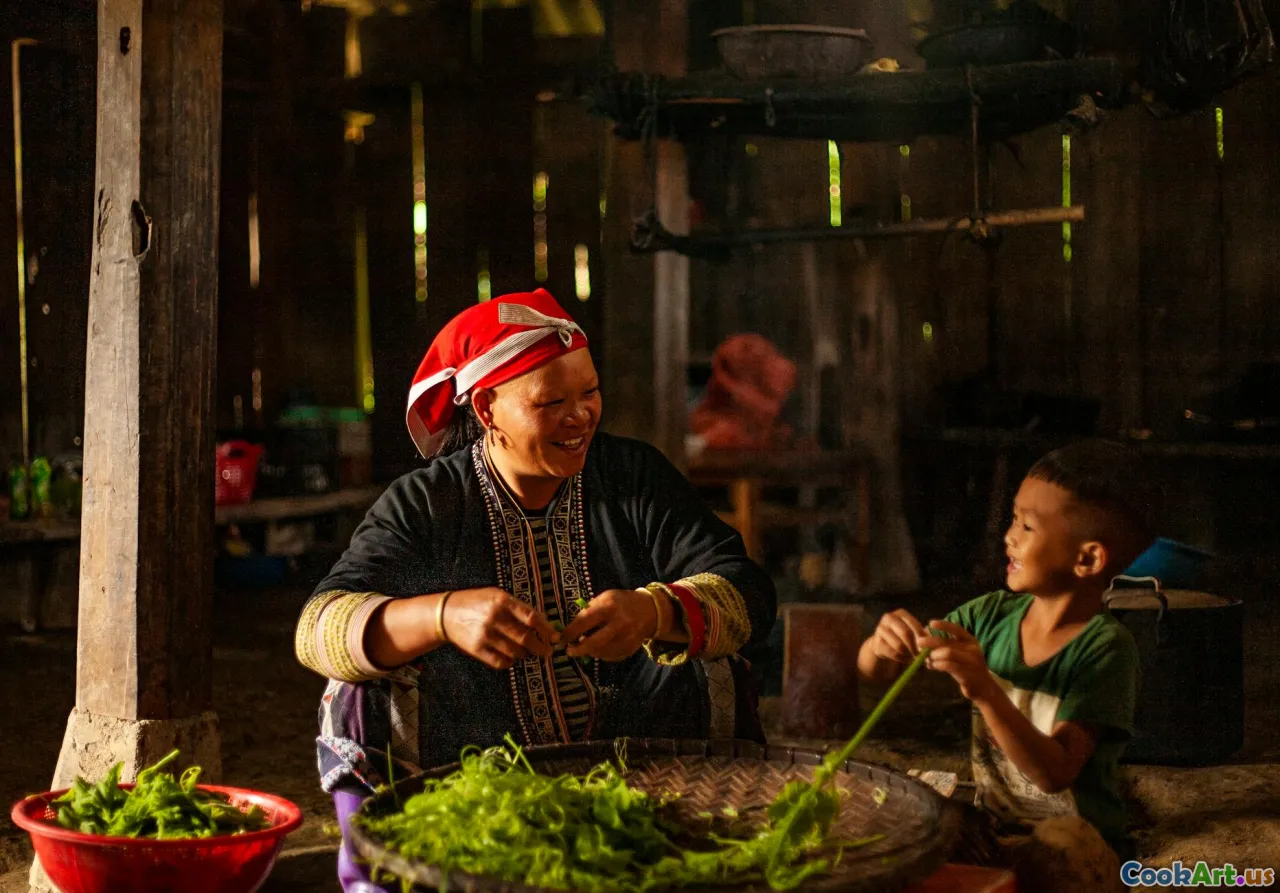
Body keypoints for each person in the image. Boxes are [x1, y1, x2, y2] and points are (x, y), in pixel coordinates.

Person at [295, 289, 776, 893]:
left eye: (590, 392)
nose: (580, 416)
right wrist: (443, 616)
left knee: (715, 662)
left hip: (635, 771)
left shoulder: (632, 477)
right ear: (489, 408)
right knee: (356, 689)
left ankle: (711, 859)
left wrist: (654, 611)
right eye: (552, 402)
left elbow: (748, 593)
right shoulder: (426, 503)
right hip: (475, 781)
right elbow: (318, 627)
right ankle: (384, 875)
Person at [857, 441, 1152, 886]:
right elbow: (875, 675)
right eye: (1014, 517)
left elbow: (1055, 774)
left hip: (1075, 833)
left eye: (1028, 526)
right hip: (993, 822)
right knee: (899, 817)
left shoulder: (1106, 649)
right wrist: (881, 647)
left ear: (1087, 558)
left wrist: (985, 691)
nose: (1008, 535)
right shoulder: (989, 615)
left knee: (1062, 859)